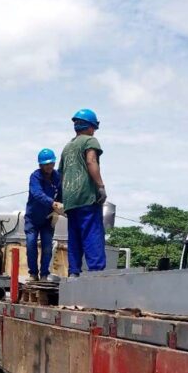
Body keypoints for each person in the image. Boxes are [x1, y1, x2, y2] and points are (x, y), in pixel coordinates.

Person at [59, 109, 107, 276]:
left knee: (75, 237)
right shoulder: (90, 141)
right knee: (92, 233)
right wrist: (100, 186)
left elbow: (62, 174)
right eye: (93, 128)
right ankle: (96, 273)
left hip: (71, 200)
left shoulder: (67, 147)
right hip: (87, 197)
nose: (93, 131)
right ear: (89, 127)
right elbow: (91, 161)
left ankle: (74, 272)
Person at [25, 148, 63, 281]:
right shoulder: (35, 177)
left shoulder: (57, 176)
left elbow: (62, 193)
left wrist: (58, 209)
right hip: (33, 219)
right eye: (46, 164)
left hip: (48, 218)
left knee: (47, 246)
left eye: (51, 163)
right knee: (31, 244)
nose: (49, 166)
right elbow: (37, 194)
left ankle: (44, 274)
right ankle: (33, 273)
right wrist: (52, 203)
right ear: (40, 165)